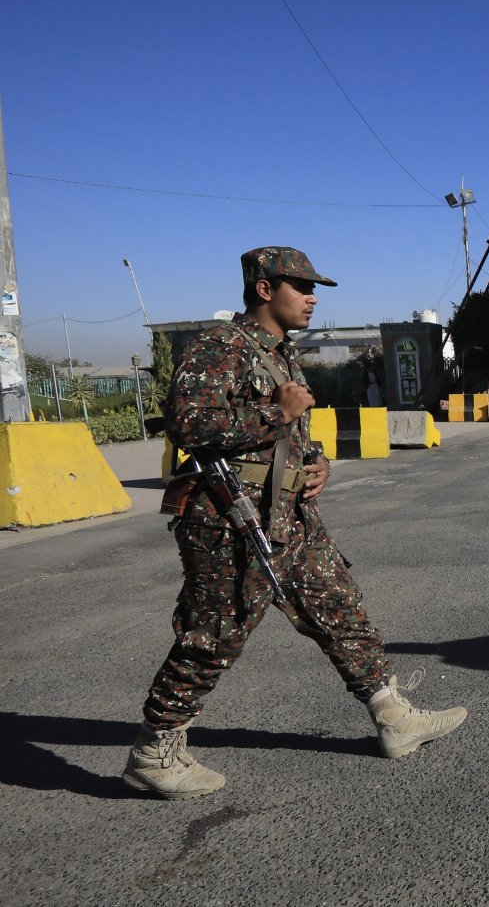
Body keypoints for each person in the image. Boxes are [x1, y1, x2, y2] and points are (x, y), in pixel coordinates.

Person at [124, 247, 467, 801]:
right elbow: (187, 425)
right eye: (301, 286)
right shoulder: (220, 348)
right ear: (265, 289)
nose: (312, 298)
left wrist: (317, 464)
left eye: (314, 288)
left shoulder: (279, 353)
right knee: (212, 636)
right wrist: (275, 413)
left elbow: (290, 435)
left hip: (290, 516)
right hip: (231, 522)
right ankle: (154, 751)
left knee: (341, 607)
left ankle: (392, 717)